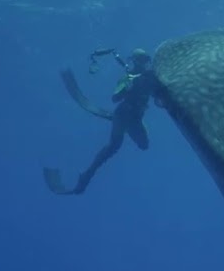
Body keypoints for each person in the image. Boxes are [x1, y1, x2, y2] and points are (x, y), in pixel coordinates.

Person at [44, 48, 157, 196]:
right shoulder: (128, 78)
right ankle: (86, 174)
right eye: (141, 61)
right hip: (123, 115)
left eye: (145, 61)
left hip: (136, 118)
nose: (144, 64)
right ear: (135, 62)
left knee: (144, 145)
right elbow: (115, 98)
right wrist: (128, 88)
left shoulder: (150, 78)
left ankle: (118, 121)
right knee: (114, 147)